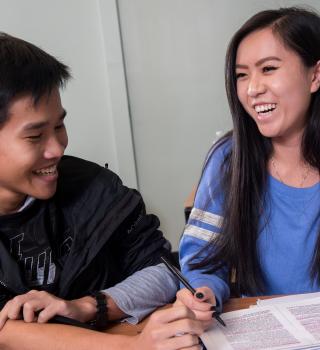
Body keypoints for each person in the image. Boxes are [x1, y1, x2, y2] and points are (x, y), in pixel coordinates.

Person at [0, 33, 205, 349]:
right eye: (35, 136)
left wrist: (88, 306)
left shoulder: (93, 188)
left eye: (59, 126)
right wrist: (132, 348)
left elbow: (162, 270)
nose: (56, 148)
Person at [176, 6, 320, 326]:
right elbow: (202, 262)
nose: (252, 88)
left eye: (268, 69)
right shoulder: (229, 158)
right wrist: (203, 292)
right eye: (242, 74)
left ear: (315, 75)